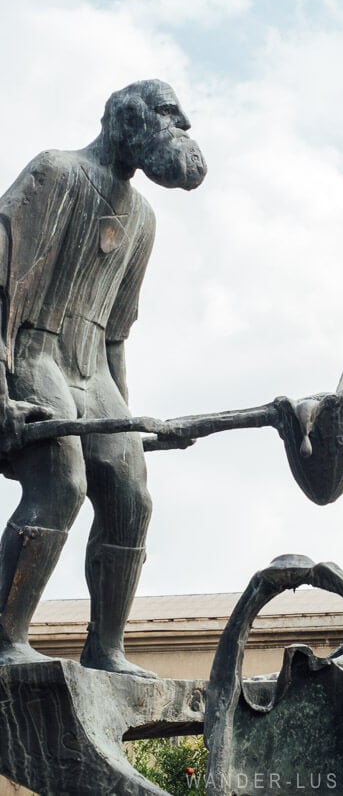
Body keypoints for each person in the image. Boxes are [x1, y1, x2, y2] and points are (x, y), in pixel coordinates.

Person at [0, 79, 206, 673]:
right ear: (129, 119)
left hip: (95, 369)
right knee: (62, 482)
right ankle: (6, 635)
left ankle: (106, 648)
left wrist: (127, 423)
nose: (184, 124)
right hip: (34, 353)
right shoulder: (55, 173)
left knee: (131, 496)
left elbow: (118, 332)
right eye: (170, 114)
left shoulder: (144, 217)